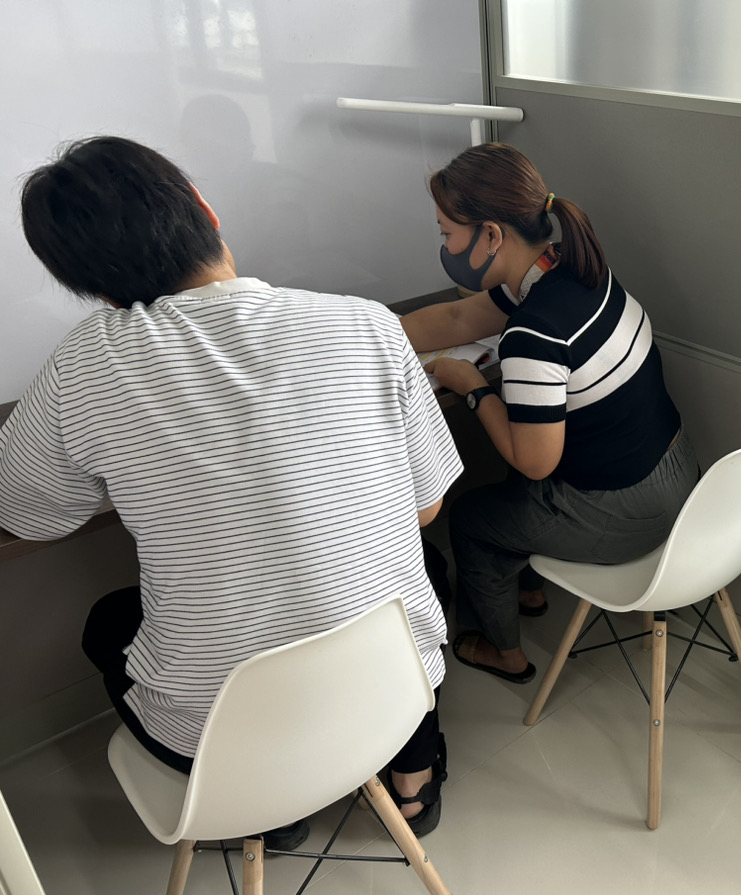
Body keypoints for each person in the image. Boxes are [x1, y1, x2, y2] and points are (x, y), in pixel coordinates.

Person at [0, 136, 462, 842]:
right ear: (206, 210)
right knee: (407, 574)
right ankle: (414, 779)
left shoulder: (85, 365)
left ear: (95, 290)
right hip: (397, 692)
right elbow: (426, 506)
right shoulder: (366, 322)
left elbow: (29, 513)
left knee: (108, 624)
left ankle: (272, 815)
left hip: (226, 749)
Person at [402, 143, 699, 684]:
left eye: (447, 233)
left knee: (471, 519)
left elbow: (535, 463)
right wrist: (366, 330)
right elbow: (456, 319)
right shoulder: (571, 269)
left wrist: (473, 387)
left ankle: (503, 653)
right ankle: (530, 590)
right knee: (525, 460)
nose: (443, 246)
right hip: (676, 470)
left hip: (630, 511)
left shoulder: (533, 333)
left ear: (491, 236)